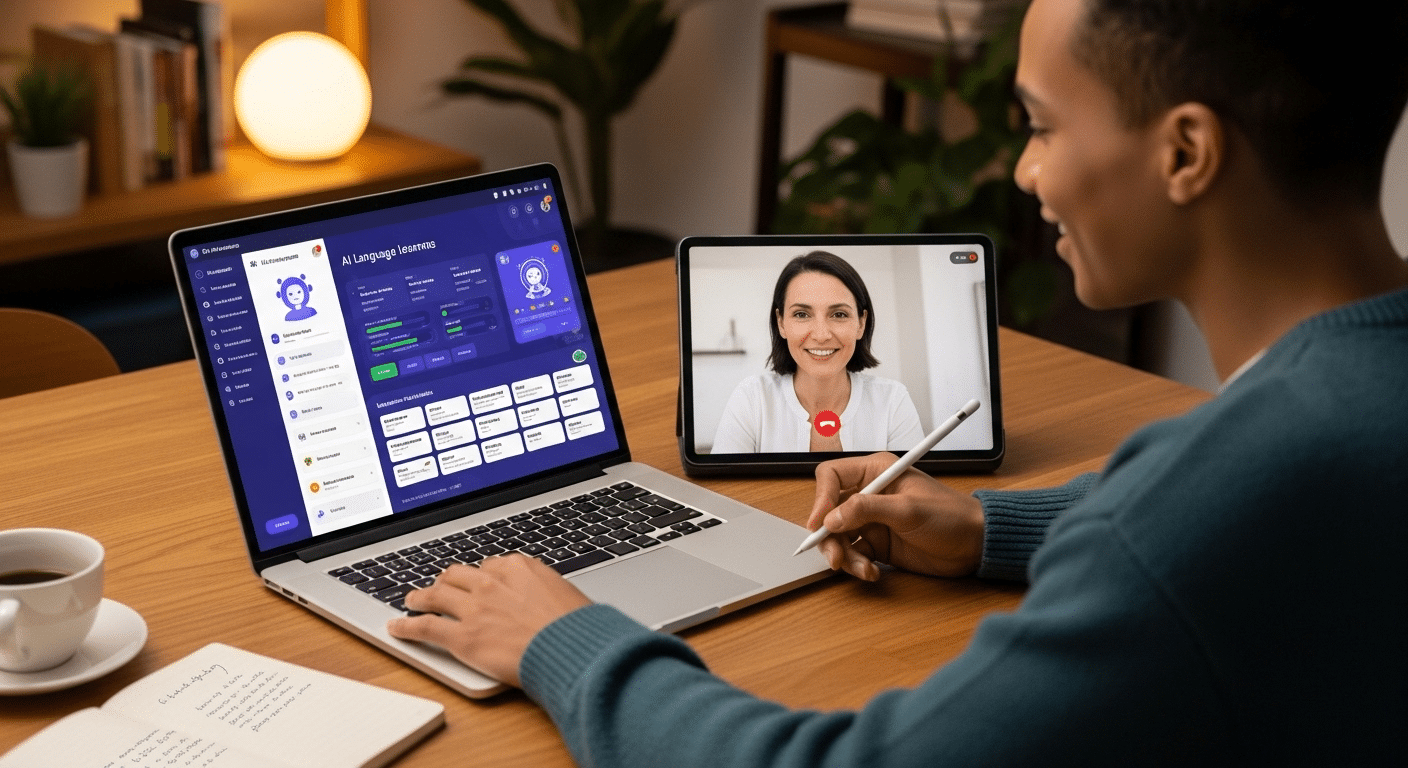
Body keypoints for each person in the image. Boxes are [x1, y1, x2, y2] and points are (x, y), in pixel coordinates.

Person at [386, 0, 1408, 763]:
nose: (1021, 170)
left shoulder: (1238, 480)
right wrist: (987, 530)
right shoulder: (1352, 401)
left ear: (1185, 151)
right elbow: (1220, 514)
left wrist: (566, 639)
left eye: (1041, 125)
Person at [710, 251, 925, 453]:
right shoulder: (752, 398)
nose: (821, 335)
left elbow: (911, 488)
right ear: (781, 323)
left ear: (861, 323)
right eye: (802, 314)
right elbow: (721, 488)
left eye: (839, 314)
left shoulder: (893, 400)